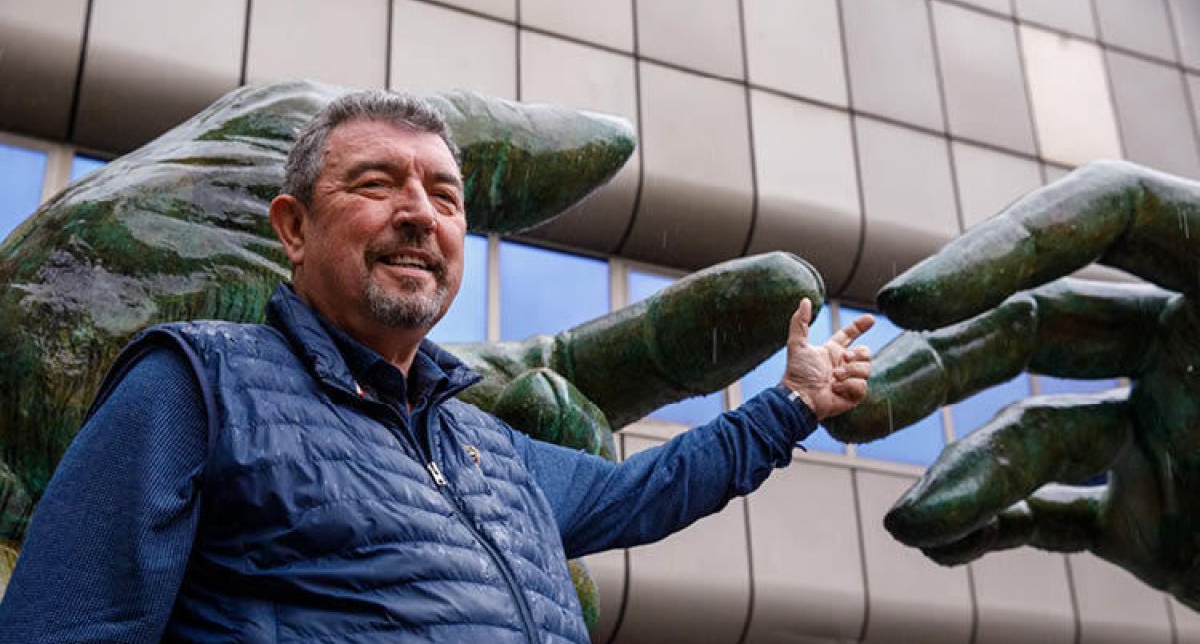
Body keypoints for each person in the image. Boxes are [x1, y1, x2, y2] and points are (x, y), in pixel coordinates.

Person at [0, 90, 874, 642]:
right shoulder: (194, 383)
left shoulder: (490, 446)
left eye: (445, 196)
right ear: (293, 228)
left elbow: (649, 490)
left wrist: (791, 403)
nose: (419, 213)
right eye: (376, 184)